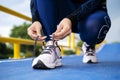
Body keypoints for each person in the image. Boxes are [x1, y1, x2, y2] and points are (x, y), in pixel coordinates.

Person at [27, 0, 111, 69]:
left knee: (96, 25)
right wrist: (36, 19)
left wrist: (71, 18)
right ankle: (52, 45)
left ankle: (89, 45)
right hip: (66, 7)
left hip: (92, 11)